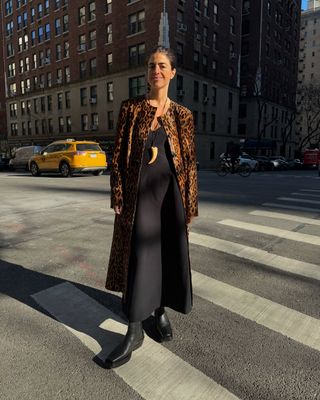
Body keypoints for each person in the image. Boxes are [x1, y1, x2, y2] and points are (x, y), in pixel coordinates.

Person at [104, 46, 198, 369]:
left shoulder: (183, 116)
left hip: (170, 195)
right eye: (151, 66)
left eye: (161, 65)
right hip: (139, 196)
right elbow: (116, 157)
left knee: (168, 254)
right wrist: (118, 194)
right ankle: (133, 328)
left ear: (173, 72)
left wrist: (189, 208)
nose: (155, 70)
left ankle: (159, 312)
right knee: (139, 258)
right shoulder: (131, 109)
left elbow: (189, 165)